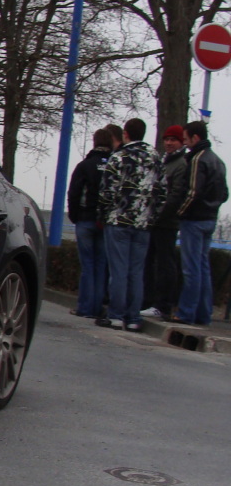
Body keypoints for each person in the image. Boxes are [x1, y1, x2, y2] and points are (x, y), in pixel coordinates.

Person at [96, 117, 166, 332]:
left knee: (119, 270)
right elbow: (162, 193)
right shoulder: (156, 158)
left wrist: (104, 213)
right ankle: (133, 317)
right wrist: (151, 217)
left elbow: (107, 190)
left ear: (126, 134)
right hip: (143, 223)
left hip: (118, 220)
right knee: (136, 271)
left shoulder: (119, 157)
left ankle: (116, 315)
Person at [165, 119, 228, 326]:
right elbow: (224, 193)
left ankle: (186, 312)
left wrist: (181, 212)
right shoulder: (218, 161)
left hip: (194, 219)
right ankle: (203, 312)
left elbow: (193, 192)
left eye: (185, 139)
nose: (185, 143)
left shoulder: (197, 160)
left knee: (190, 268)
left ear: (195, 138)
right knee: (202, 267)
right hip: (210, 219)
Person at [140, 125, 187, 319]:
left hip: (166, 223)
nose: (168, 143)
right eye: (166, 139)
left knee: (165, 263)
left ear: (181, 142)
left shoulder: (181, 165)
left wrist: (159, 213)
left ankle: (163, 304)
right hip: (156, 221)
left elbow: (175, 195)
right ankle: (149, 301)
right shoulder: (164, 161)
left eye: (173, 140)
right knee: (150, 262)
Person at [67, 128, 113, 318]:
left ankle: (85, 307)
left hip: (86, 219)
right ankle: (98, 307)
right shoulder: (114, 164)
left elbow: (74, 192)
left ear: (94, 142)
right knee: (101, 264)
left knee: (87, 265)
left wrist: (75, 215)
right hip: (106, 221)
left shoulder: (84, 166)